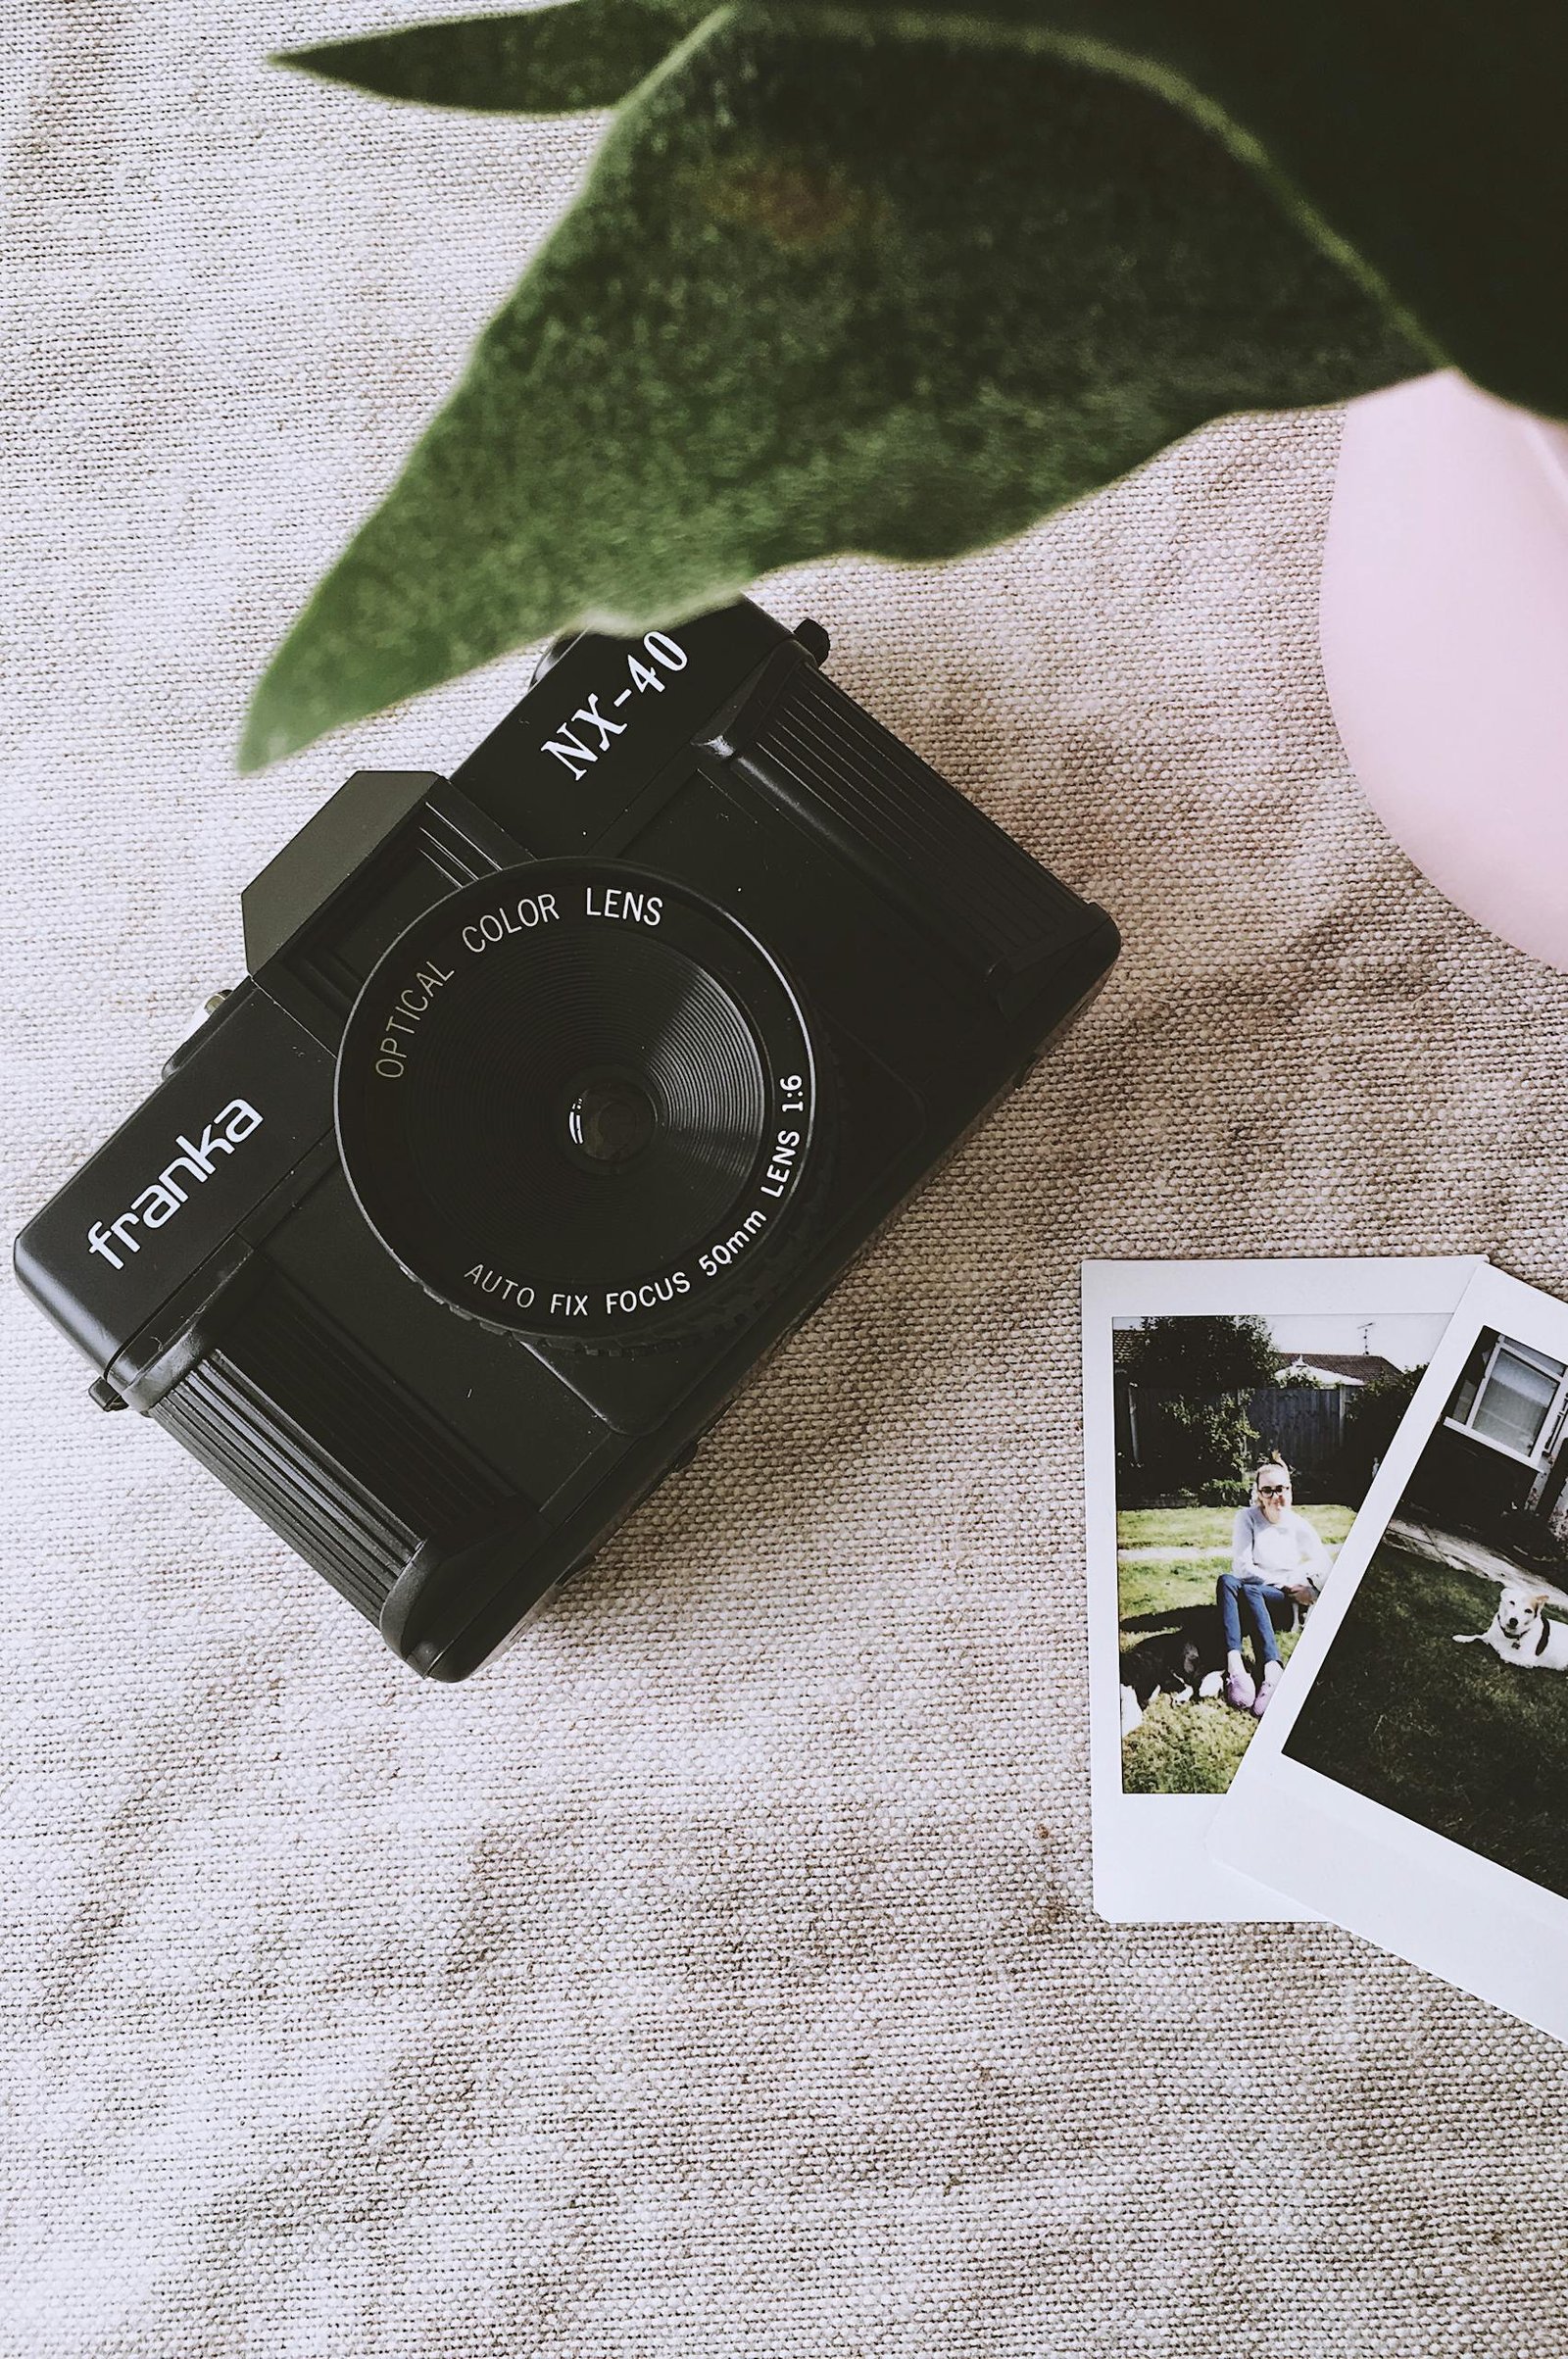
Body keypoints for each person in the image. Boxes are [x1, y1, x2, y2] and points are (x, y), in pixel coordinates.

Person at [1218, 1457, 1332, 1716]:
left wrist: (1312, 1592)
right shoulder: (1247, 1518)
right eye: (1267, 1490)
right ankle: (1236, 1667)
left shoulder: (1299, 1526)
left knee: (1249, 1588)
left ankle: (1272, 1671)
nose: (1275, 1496)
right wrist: (1284, 1582)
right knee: (1227, 1581)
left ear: (1290, 1490)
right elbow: (1242, 1569)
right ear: (1259, 1494)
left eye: (1280, 1489)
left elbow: (1328, 1567)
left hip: (1282, 1603)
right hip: (1267, 1589)